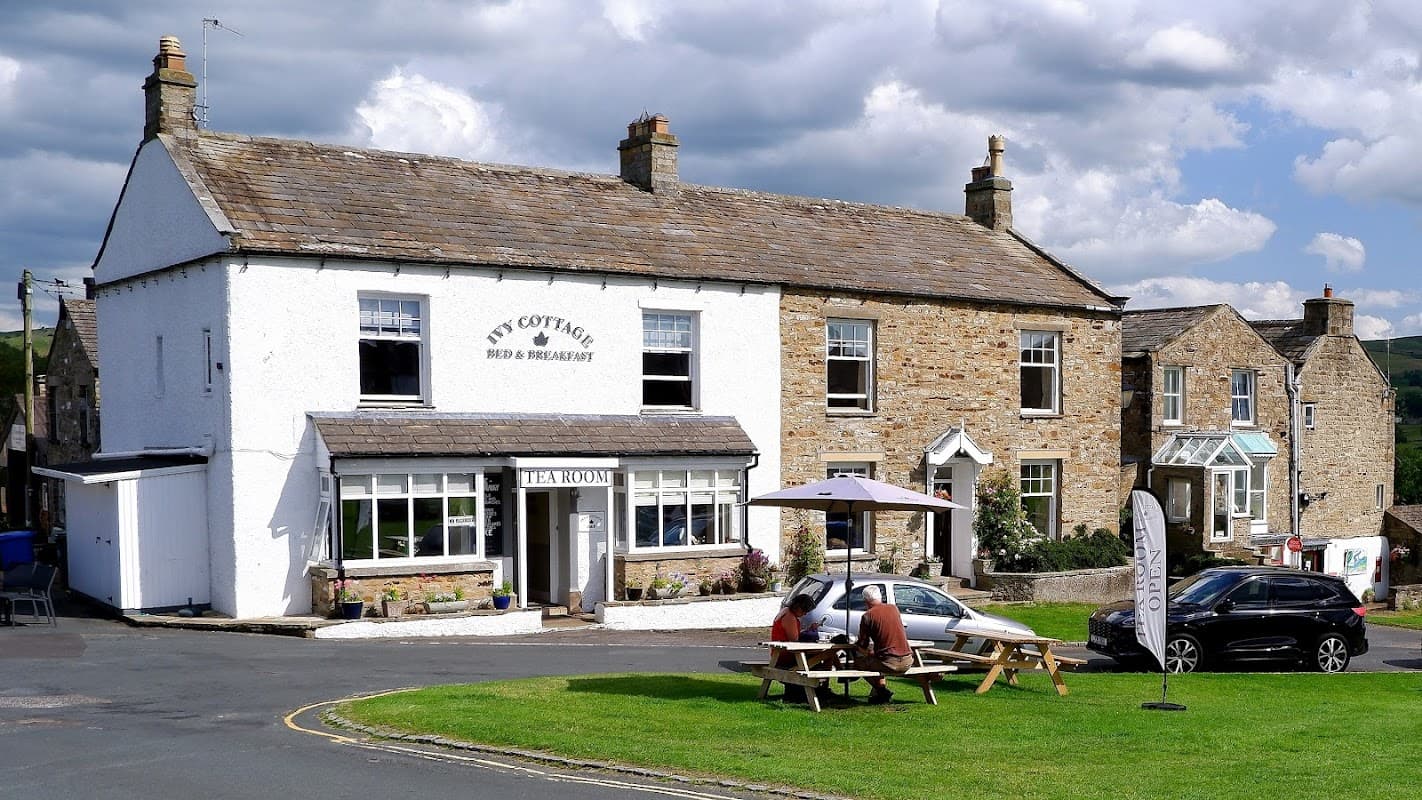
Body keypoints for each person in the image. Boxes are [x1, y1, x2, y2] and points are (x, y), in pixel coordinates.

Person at [853, 584, 913, 704]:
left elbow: (862, 645)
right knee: (875, 659)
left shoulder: (867, 616)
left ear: (865, 601)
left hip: (888, 662)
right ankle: (880, 695)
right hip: (908, 660)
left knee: (859, 664)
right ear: (880, 597)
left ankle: (881, 690)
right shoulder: (894, 609)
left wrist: (855, 644)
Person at [769, 594, 819, 703]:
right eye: (804, 610)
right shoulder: (790, 617)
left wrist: (808, 630)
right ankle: (820, 689)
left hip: (781, 653)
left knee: (824, 656)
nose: (805, 614)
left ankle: (820, 688)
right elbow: (795, 640)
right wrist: (809, 634)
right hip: (784, 655)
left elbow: (792, 635)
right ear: (798, 607)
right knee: (821, 657)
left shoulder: (786, 611)